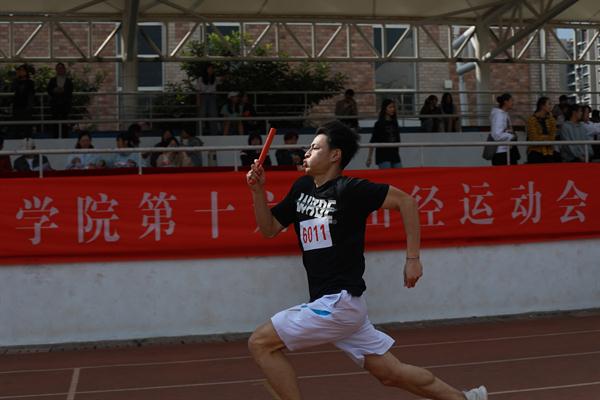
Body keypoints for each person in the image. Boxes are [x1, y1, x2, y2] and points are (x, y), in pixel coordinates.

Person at [245, 120, 488, 400]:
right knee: (390, 373)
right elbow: (269, 228)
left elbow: (406, 202)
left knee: (260, 343)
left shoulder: (350, 189)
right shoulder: (301, 188)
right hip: (336, 306)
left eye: (315, 148)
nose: (306, 153)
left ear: (335, 155)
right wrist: (257, 191)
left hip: (338, 303)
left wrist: (413, 258)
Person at [367, 99, 402, 169]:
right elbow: (372, 141)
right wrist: (369, 157)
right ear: (384, 109)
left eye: (393, 107)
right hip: (383, 155)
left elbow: (397, 140)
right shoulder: (379, 124)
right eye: (390, 107)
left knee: (399, 174)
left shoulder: (395, 123)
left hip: (395, 155)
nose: (393, 109)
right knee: (387, 175)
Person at [525, 97, 559, 164]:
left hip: (549, 152)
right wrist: (547, 137)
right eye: (549, 104)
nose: (551, 106)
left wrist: (542, 137)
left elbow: (553, 137)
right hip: (535, 152)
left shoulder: (551, 119)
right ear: (542, 106)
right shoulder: (531, 119)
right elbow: (534, 138)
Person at [490, 93, 519, 166]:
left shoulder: (504, 114)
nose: (513, 103)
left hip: (506, 150)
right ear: (506, 102)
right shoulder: (499, 115)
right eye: (511, 100)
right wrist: (511, 136)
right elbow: (497, 135)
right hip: (501, 152)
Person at [46, 62, 74, 137]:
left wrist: (64, 90)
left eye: (61, 68)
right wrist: (54, 90)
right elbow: (48, 90)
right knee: (55, 123)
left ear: (64, 69)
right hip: (55, 105)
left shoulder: (68, 81)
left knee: (64, 123)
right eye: (58, 69)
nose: (60, 70)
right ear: (56, 70)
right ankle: (55, 137)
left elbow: (70, 91)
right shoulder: (52, 80)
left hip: (65, 105)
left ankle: (65, 137)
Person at [12, 64, 36, 138]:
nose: (21, 72)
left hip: (27, 107)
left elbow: (31, 95)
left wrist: (29, 107)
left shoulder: (30, 82)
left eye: (22, 70)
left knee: (27, 127)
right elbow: (12, 89)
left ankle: (28, 140)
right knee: (17, 127)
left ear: (26, 71)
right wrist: (17, 77)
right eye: (19, 70)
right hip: (17, 107)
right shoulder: (16, 81)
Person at [196, 63, 221, 135]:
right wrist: (198, 101)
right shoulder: (200, 78)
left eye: (212, 69)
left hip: (212, 96)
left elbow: (222, 79)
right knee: (201, 115)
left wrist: (226, 76)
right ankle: (199, 133)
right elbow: (198, 90)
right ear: (206, 69)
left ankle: (214, 133)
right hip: (203, 96)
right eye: (210, 68)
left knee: (213, 114)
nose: (211, 70)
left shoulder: (214, 78)